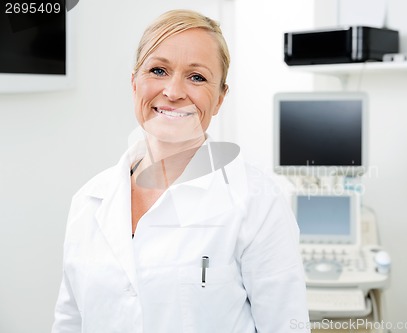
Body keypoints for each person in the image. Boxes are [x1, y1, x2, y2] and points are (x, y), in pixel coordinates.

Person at [52, 9, 310, 333]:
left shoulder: (257, 201)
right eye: (158, 70)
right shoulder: (88, 202)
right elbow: (69, 322)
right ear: (134, 83)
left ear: (219, 99)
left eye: (197, 77)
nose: (173, 92)